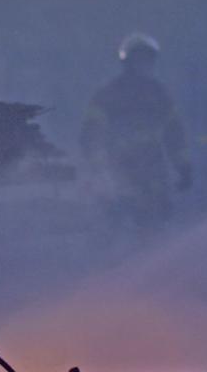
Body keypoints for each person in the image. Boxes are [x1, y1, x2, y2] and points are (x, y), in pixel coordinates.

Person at [80, 33, 193, 227]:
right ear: (127, 62)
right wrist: (100, 169)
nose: (144, 65)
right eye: (139, 60)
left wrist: (183, 166)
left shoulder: (159, 94)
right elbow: (91, 134)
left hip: (153, 169)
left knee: (156, 223)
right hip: (119, 169)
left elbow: (174, 134)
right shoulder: (109, 94)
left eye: (147, 60)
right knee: (116, 223)